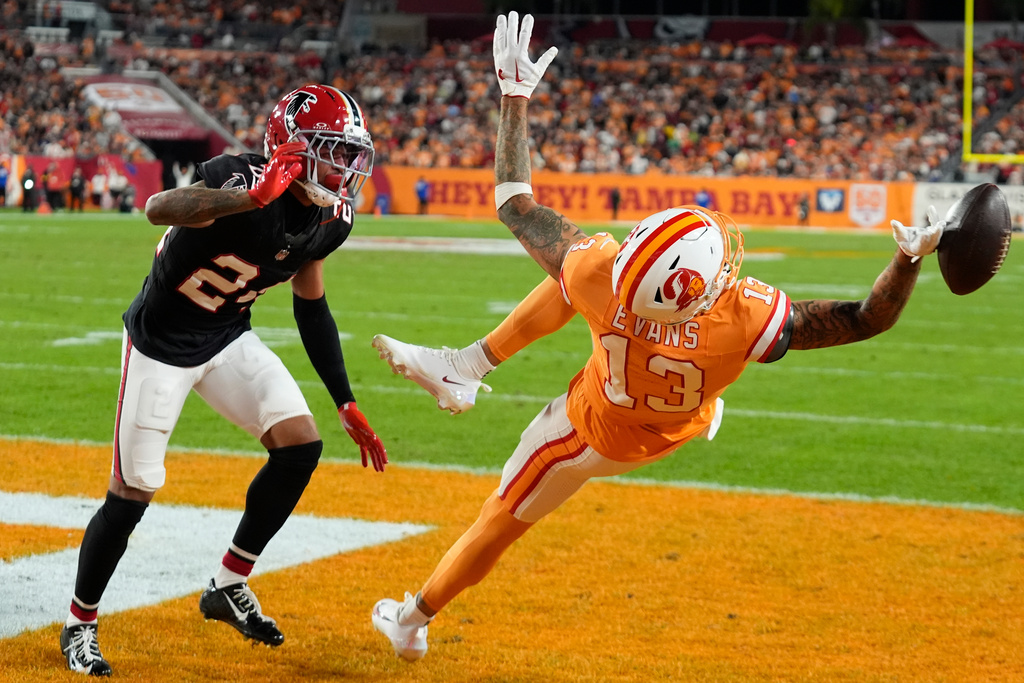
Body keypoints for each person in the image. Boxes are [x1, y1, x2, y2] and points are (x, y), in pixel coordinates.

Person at [368, 13, 945, 662]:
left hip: (591, 426)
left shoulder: (600, 272)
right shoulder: (741, 316)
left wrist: (514, 96)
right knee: (639, 339)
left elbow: (513, 203)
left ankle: (412, 616)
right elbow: (869, 317)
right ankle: (466, 367)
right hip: (675, 420)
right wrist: (909, 260)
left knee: (498, 520)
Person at [59, 84, 388, 677]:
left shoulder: (330, 217)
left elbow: (310, 307)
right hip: (162, 343)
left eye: (348, 154)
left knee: (299, 445)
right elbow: (158, 208)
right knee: (133, 491)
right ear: (288, 148)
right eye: (331, 151)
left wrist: (345, 400)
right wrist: (252, 199)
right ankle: (79, 623)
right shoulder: (237, 178)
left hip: (227, 334)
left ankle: (228, 585)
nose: (344, 168)